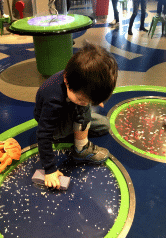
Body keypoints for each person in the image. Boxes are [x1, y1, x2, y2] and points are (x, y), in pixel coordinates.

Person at [34, 42, 118, 189]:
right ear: (66, 80)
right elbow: (43, 133)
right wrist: (50, 170)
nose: (86, 102)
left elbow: (84, 97)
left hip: (67, 113)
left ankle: (77, 134)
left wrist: (94, 99)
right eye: (82, 98)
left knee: (104, 124)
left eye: (90, 101)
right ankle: (80, 149)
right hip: (55, 127)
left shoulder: (77, 79)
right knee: (84, 111)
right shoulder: (53, 99)